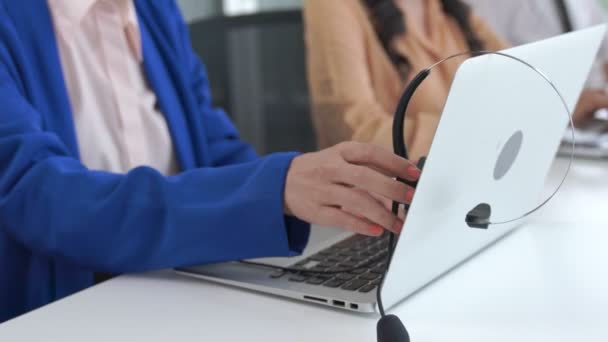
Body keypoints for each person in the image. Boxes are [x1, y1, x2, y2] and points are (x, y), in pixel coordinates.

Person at [0, 0, 420, 323]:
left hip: (180, 289)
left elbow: (215, 149)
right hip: (64, 310)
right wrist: (272, 189)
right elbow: (39, 195)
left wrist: (312, 194)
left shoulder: (151, 9)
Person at [304, 0, 508, 160]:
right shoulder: (334, 5)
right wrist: (470, 137)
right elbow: (353, 130)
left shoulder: (449, 10)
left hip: (468, 185)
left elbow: (521, 77)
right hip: (390, 202)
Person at [466, 0, 608, 124]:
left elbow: (602, 46)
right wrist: (560, 106)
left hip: (591, 118)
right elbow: (489, 76)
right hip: (540, 122)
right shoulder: (489, 6)